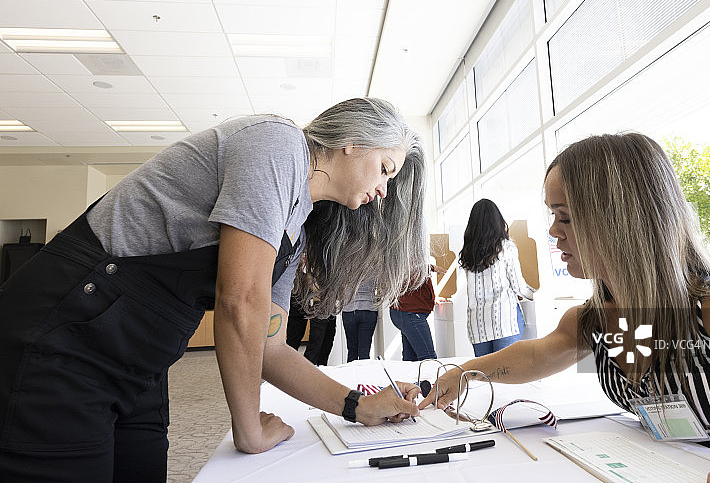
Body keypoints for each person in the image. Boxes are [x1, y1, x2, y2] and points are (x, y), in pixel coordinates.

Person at [0, 97, 428, 482]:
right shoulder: (278, 144)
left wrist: (357, 406)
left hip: (139, 363)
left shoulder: (295, 229)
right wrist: (249, 430)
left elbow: (270, 347)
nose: (383, 190)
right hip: (65, 339)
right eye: (385, 169)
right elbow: (239, 301)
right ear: (352, 141)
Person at [421, 133, 710, 482]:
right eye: (553, 215)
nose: (553, 231)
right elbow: (537, 356)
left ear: (621, 219)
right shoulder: (594, 319)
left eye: (565, 217)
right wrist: (463, 373)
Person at [459, 199, 535, 356]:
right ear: (497, 221)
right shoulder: (506, 247)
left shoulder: (468, 252)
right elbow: (518, 287)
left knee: (483, 370)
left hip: (477, 325)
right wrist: (535, 295)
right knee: (507, 368)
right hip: (504, 321)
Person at [390, 266, 439, 361]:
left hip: (408, 312)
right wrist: (428, 268)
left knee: (411, 360)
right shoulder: (411, 262)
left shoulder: (414, 261)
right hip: (410, 313)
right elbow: (409, 275)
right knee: (428, 359)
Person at [341, 279, 379, 361]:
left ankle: (351, 369)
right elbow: (382, 288)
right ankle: (364, 369)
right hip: (368, 308)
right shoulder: (374, 270)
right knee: (364, 351)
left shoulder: (344, 270)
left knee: (352, 350)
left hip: (349, 309)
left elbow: (340, 288)